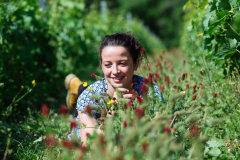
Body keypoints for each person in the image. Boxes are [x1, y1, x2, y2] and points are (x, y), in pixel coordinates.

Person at [65, 32, 163, 145]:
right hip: (91, 105)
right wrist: (112, 115)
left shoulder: (149, 90)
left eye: (122, 63)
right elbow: (90, 144)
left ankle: (78, 87)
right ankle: (78, 89)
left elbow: (158, 133)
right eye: (108, 65)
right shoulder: (87, 98)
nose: (115, 71)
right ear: (101, 65)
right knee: (84, 97)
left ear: (136, 63)